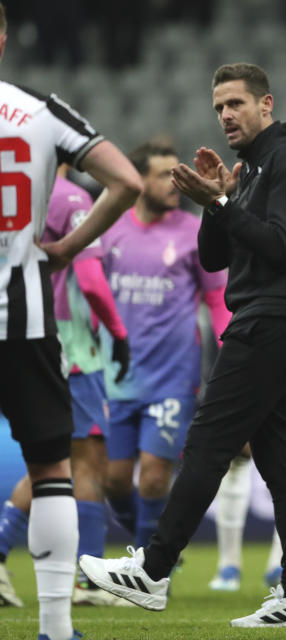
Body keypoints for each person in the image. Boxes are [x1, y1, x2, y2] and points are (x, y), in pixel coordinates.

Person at [79, 62, 286, 629]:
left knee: (208, 443)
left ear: (266, 105)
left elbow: (283, 247)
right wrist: (216, 200)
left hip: (274, 320)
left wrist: (225, 205)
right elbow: (217, 259)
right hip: (281, 322)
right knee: (283, 461)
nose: (225, 115)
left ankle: (154, 568)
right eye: (219, 106)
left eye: (236, 104)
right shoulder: (258, 166)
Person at [0, 2, 143, 637]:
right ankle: (56, 629)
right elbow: (126, 181)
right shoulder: (39, 110)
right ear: (4, 36)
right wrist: (65, 246)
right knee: (52, 468)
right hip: (25, 314)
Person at [0, 163, 133, 609]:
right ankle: (89, 579)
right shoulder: (71, 198)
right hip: (70, 346)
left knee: (53, 461)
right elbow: (92, 280)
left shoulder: (13, 196)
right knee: (86, 460)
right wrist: (117, 332)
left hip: (21, 334)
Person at [96, 142, 229, 560]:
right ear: (138, 182)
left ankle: (153, 568)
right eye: (162, 175)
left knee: (154, 478)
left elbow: (217, 298)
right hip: (116, 376)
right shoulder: (111, 231)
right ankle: (152, 543)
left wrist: (229, 353)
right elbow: (90, 297)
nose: (175, 182)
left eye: (178, 173)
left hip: (173, 376)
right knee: (114, 481)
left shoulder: (193, 230)